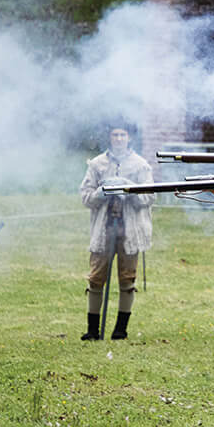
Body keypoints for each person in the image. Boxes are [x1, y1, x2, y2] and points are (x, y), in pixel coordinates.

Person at [79, 122, 153, 341]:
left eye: (123, 135)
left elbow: (149, 197)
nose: (119, 138)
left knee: (127, 278)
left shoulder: (141, 165)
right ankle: (93, 330)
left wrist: (130, 190)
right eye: (115, 134)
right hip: (104, 229)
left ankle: (121, 329)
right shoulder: (97, 164)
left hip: (130, 230)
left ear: (129, 137)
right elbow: (85, 196)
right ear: (110, 137)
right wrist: (100, 194)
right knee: (96, 277)